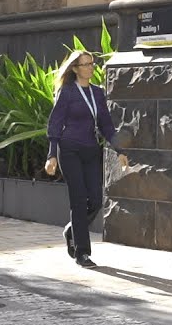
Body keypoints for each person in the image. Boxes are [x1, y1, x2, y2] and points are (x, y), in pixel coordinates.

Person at [44, 49, 128, 268]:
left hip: (91, 151)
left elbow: (106, 125)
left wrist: (119, 149)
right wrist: (52, 155)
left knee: (96, 201)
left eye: (92, 63)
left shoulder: (98, 93)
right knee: (79, 200)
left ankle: (72, 229)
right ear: (75, 68)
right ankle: (82, 252)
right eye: (86, 64)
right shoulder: (67, 92)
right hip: (69, 150)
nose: (91, 67)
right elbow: (55, 124)